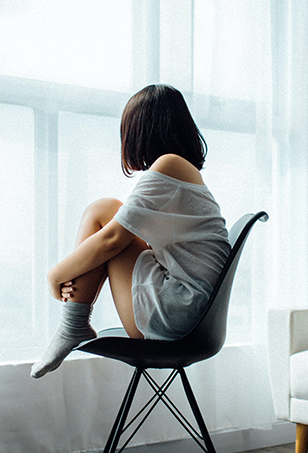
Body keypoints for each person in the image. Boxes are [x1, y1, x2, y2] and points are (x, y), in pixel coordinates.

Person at [31, 84, 231, 378]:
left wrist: (55, 275)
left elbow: (112, 240)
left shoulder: (169, 165)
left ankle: (72, 325)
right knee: (108, 211)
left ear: (140, 131)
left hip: (177, 316)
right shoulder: (183, 172)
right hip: (190, 314)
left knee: (102, 213)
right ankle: (73, 324)